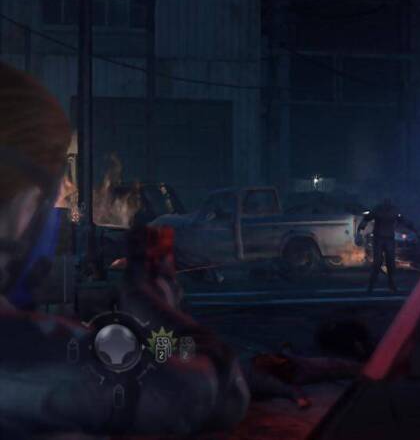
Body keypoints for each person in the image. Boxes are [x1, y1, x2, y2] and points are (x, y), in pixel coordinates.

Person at [0, 62, 249, 437]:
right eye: (53, 193)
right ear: (23, 200)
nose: (64, 199)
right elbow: (207, 392)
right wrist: (154, 306)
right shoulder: (23, 351)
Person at [356, 198, 416, 292]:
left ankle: (383, 284)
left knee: (389, 263)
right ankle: (374, 285)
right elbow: (366, 219)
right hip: (381, 238)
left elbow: (403, 221)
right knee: (379, 263)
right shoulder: (382, 210)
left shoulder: (386, 210)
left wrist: (413, 228)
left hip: (385, 239)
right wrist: (359, 232)